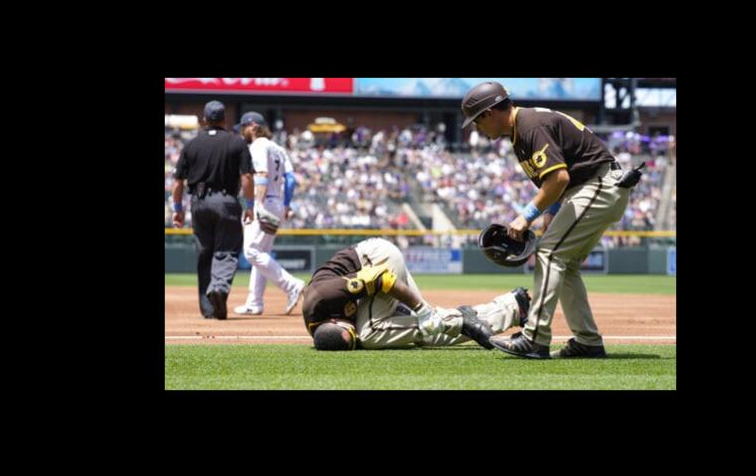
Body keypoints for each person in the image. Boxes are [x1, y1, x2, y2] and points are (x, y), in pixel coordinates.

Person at [461, 81, 629, 359]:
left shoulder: (529, 126)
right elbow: (558, 178)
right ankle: (587, 342)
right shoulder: (521, 131)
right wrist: (550, 213)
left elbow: (559, 177)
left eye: (476, 122)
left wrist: (526, 216)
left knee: (549, 254)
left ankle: (534, 339)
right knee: (566, 263)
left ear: (489, 113)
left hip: (597, 184)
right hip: (591, 187)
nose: (477, 129)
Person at [303, 237, 531, 351]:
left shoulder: (321, 296)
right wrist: (427, 318)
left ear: (333, 320)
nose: (354, 333)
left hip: (377, 260)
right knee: (428, 333)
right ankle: (512, 307)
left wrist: (422, 310)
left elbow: (381, 278)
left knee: (370, 334)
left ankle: (460, 318)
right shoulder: (330, 332)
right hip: (374, 287)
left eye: (348, 327)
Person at [171, 101, 255, 320]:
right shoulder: (236, 142)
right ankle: (218, 288)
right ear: (224, 121)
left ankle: (209, 309)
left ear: (204, 120)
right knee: (226, 251)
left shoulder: (191, 144)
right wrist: (250, 206)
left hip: (198, 203)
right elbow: (246, 177)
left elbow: (178, 181)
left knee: (204, 253)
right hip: (226, 200)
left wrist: (178, 209)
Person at [231, 112, 306, 316]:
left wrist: (259, 203)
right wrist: (287, 205)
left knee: (252, 252)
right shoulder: (279, 148)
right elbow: (290, 180)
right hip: (278, 202)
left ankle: (291, 285)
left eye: (244, 127)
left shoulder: (258, 146)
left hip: (262, 200)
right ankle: (255, 302)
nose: (241, 131)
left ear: (253, 126)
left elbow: (261, 174)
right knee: (261, 252)